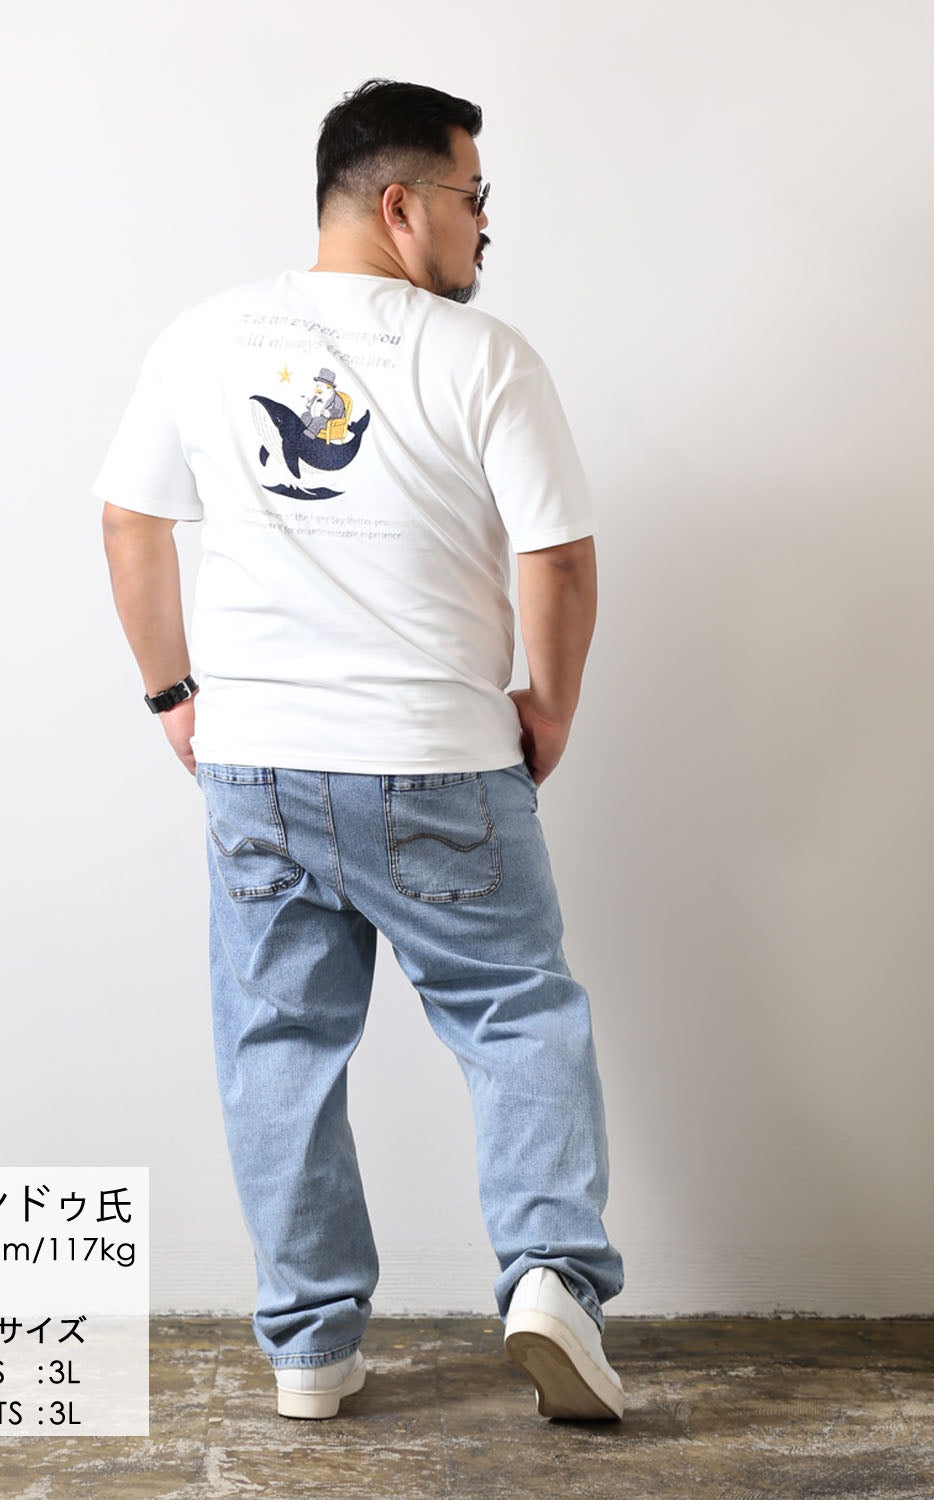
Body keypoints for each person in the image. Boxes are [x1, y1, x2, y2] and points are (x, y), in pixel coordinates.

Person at [94, 77, 626, 1423]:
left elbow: (128, 521)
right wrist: (551, 706)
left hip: (257, 765)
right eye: (473, 195)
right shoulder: (484, 357)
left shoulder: (204, 336)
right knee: (516, 1016)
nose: (486, 224)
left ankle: (310, 1351)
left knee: (279, 1046)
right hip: (440, 756)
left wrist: (173, 696)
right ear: (401, 205)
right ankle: (553, 1281)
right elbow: (559, 557)